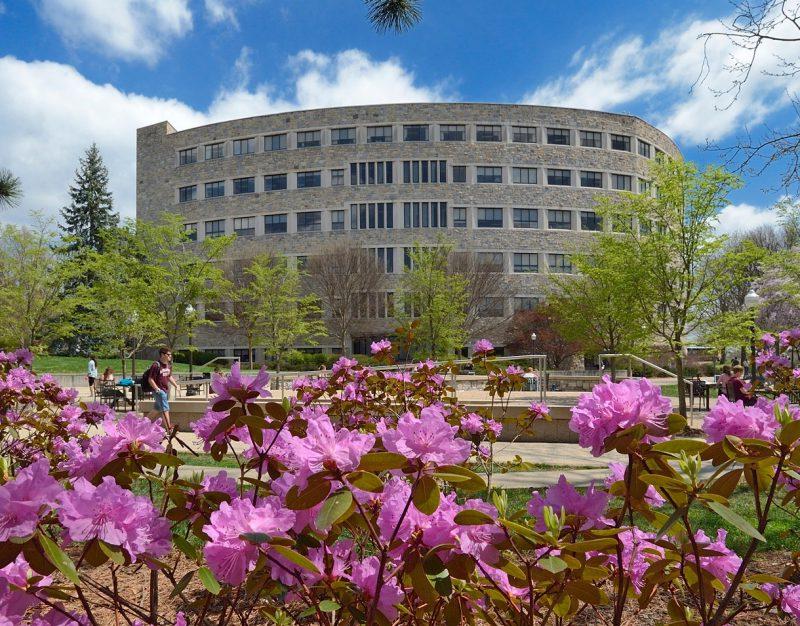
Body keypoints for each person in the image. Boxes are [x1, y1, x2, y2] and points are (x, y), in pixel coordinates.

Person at [146, 347, 179, 428]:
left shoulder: (169, 365)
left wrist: (176, 385)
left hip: (164, 390)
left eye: (171, 355)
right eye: (168, 354)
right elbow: (150, 379)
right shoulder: (156, 365)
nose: (170, 356)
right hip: (159, 391)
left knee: (156, 409)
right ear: (162, 355)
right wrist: (157, 389)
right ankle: (169, 429)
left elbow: (169, 376)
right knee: (165, 408)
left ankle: (141, 425)